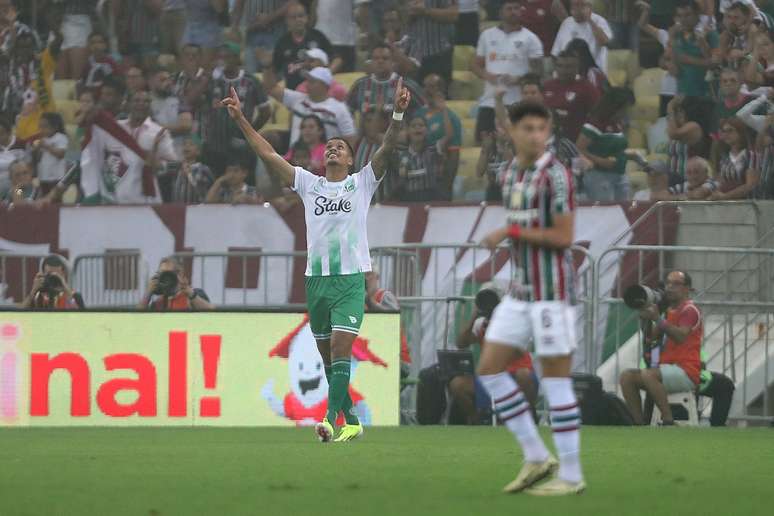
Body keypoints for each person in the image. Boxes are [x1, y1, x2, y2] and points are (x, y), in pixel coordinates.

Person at [220, 75, 411, 442]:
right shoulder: (310, 184)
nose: (335, 149)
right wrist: (242, 119)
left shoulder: (363, 183)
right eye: (332, 147)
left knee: (342, 348)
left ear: (353, 159)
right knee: (328, 359)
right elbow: (267, 153)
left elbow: (386, 148)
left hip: (350, 280)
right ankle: (352, 420)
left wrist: (397, 116)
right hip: (317, 281)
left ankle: (327, 419)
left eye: (342, 146)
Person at [478, 101, 584, 496]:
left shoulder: (556, 176)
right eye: (529, 128)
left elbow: (563, 237)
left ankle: (572, 476)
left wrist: (509, 233)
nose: (536, 135)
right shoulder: (508, 174)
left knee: (555, 382)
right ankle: (537, 455)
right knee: (489, 369)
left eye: (542, 127)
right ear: (512, 131)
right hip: (520, 290)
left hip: (553, 294)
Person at [619, 270, 702, 425]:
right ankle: (638, 424)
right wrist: (647, 320)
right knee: (627, 377)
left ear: (687, 289)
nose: (669, 287)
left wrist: (657, 318)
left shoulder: (689, 310)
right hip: (667, 369)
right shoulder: (669, 312)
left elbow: (680, 337)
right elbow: (652, 339)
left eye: (676, 284)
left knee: (649, 374)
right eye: (668, 283)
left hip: (687, 371)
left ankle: (668, 420)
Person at [450, 285, 538, 425]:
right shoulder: (481, 324)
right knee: (457, 384)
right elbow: (461, 343)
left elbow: (517, 352)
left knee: (524, 375)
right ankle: (477, 419)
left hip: (516, 374)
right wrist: (473, 318)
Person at [471, 0, 544, 143]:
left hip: (517, 102)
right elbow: (475, 64)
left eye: (516, 8)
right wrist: (488, 76)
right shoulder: (487, 35)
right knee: (484, 144)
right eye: (509, 8)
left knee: (516, 144)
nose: (513, 12)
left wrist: (518, 80)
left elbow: (539, 72)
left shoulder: (531, 38)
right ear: (501, 12)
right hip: (489, 101)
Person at [202, 42, 271, 175]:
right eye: (220, 57)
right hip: (215, 144)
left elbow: (265, 111)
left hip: (240, 144)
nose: (222, 61)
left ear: (237, 59)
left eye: (227, 57)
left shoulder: (251, 81)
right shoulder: (213, 80)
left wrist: (249, 131)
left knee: (241, 179)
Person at [266, 66, 356, 149]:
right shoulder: (297, 99)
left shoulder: (339, 109)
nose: (307, 84)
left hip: (323, 161)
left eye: (312, 81)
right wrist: (267, 66)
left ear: (324, 85)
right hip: (295, 158)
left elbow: (350, 139)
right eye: (307, 80)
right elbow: (270, 88)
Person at [576, 87, 636, 201]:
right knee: (605, 212)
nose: (628, 112)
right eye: (626, 108)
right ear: (615, 107)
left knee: (623, 211)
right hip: (599, 176)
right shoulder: (595, 124)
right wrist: (601, 161)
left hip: (620, 175)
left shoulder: (618, 124)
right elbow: (579, 149)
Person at [347, 44, 426, 118]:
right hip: (366, 132)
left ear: (393, 62)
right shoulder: (360, 85)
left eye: (385, 58)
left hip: (397, 131)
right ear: (371, 62)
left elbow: (424, 110)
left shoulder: (406, 85)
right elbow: (347, 112)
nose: (380, 61)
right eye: (376, 58)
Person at [416, 74, 461, 199]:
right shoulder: (417, 114)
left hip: (439, 180)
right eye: (424, 86)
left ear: (441, 90)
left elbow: (454, 155)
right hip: (416, 181)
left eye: (431, 87)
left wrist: (446, 186)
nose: (426, 90)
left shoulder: (452, 119)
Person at [272, 2, 334, 90]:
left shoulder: (318, 36)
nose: (298, 20)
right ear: (287, 21)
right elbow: (275, 70)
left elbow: (337, 59)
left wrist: (328, 73)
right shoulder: (282, 42)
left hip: (317, 90)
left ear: (307, 18)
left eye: (301, 16)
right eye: (293, 17)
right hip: (292, 92)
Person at [543, 51, 601, 142]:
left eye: (568, 67)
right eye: (560, 66)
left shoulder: (586, 88)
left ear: (577, 68)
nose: (563, 70)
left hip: (575, 141)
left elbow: (598, 114)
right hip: (548, 140)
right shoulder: (547, 86)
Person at [670, 0, 719, 98]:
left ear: (697, 14)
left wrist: (689, 60)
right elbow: (675, 71)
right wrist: (672, 40)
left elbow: (715, 65)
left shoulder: (710, 34)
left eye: (687, 15)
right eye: (680, 16)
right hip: (683, 93)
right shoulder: (677, 36)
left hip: (706, 94)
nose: (683, 19)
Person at [406, 0, 459, 85]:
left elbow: (453, 15)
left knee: (439, 93)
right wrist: (408, 14)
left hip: (438, 54)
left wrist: (425, 11)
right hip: (411, 56)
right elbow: (396, 18)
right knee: (414, 95)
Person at [551, 0, 612, 73]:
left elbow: (604, 42)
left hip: (592, 70)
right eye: (573, 5)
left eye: (579, 5)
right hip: (567, 71)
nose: (575, 9)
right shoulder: (567, 22)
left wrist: (590, 21)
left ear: (587, 7)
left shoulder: (598, 20)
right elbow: (555, 53)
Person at [665, 95, 713, 185]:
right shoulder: (675, 126)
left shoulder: (694, 126)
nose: (678, 114)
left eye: (680, 111)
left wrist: (670, 109)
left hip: (688, 178)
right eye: (677, 111)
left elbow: (674, 134)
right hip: (673, 176)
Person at [395, 115, 444, 201]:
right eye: (413, 126)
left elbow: (449, 135)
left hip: (431, 197)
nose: (417, 128)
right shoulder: (401, 154)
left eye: (421, 125)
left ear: (426, 130)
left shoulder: (434, 150)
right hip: (409, 198)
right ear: (408, 131)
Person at [231, 0, 288, 74]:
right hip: (251, 33)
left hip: (276, 33)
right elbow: (239, 2)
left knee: (274, 75)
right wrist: (234, 27)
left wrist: (269, 17)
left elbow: (292, 3)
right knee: (250, 75)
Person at [139, 256, 215, 310]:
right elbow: (137, 319)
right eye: (162, 274)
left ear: (180, 274)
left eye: (168, 274)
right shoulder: (158, 302)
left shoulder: (195, 294)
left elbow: (212, 313)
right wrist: (148, 293)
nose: (165, 278)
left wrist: (191, 294)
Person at [710, 118, 760, 199]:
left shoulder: (751, 155)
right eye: (724, 131)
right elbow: (721, 182)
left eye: (730, 130)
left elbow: (751, 184)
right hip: (728, 204)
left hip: (748, 204)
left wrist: (726, 196)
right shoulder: (724, 159)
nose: (726, 134)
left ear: (740, 132)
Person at [20, 255, 85, 310]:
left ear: (64, 274)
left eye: (56, 275)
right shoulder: (38, 295)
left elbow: (79, 315)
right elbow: (20, 312)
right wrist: (33, 290)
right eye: (49, 274)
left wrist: (65, 287)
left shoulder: (74, 295)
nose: (53, 278)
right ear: (43, 274)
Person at [30, 112, 68, 195]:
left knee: (55, 198)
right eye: (40, 126)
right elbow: (38, 158)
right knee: (44, 196)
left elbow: (61, 154)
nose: (42, 129)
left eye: (45, 126)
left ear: (55, 127)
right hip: (43, 176)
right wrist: (36, 150)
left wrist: (46, 146)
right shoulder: (42, 139)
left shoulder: (60, 137)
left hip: (56, 177)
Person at [651, 156, 718, 200]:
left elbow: (698, 194)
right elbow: (656, 196)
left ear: (706, 173)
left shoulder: (712, 183)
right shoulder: (685, 185)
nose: (693, 176)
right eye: (689, 172)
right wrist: (680, 197)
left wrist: (673, 198)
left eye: (696, 172)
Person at [172, 135, 214, 203]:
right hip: (178, 210)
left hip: (197, 210)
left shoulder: (203, 169)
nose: (186, 146)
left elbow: (203, 191)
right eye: (184, 144)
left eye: (191, 144)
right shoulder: (177, 168)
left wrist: (189, 174)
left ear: (198, 151)